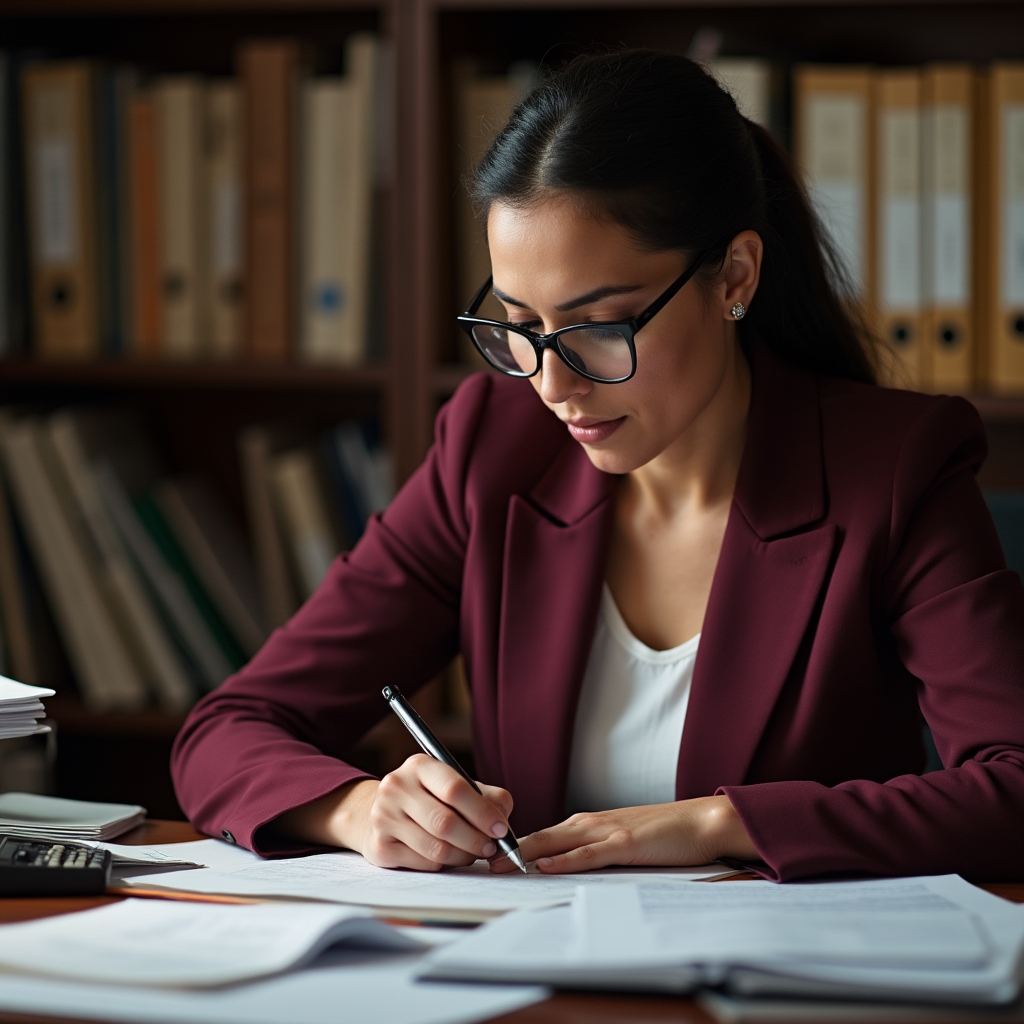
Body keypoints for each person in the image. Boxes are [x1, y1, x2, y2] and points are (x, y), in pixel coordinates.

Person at [172, 50, 1024, 882]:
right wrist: (359, 812)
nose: (552, 383)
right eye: (519, 324)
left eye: (598, 326)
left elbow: (1012, 783)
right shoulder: (491, 451)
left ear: (734, 274)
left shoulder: (897, 469)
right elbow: (230, 728)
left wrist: (716, 824)